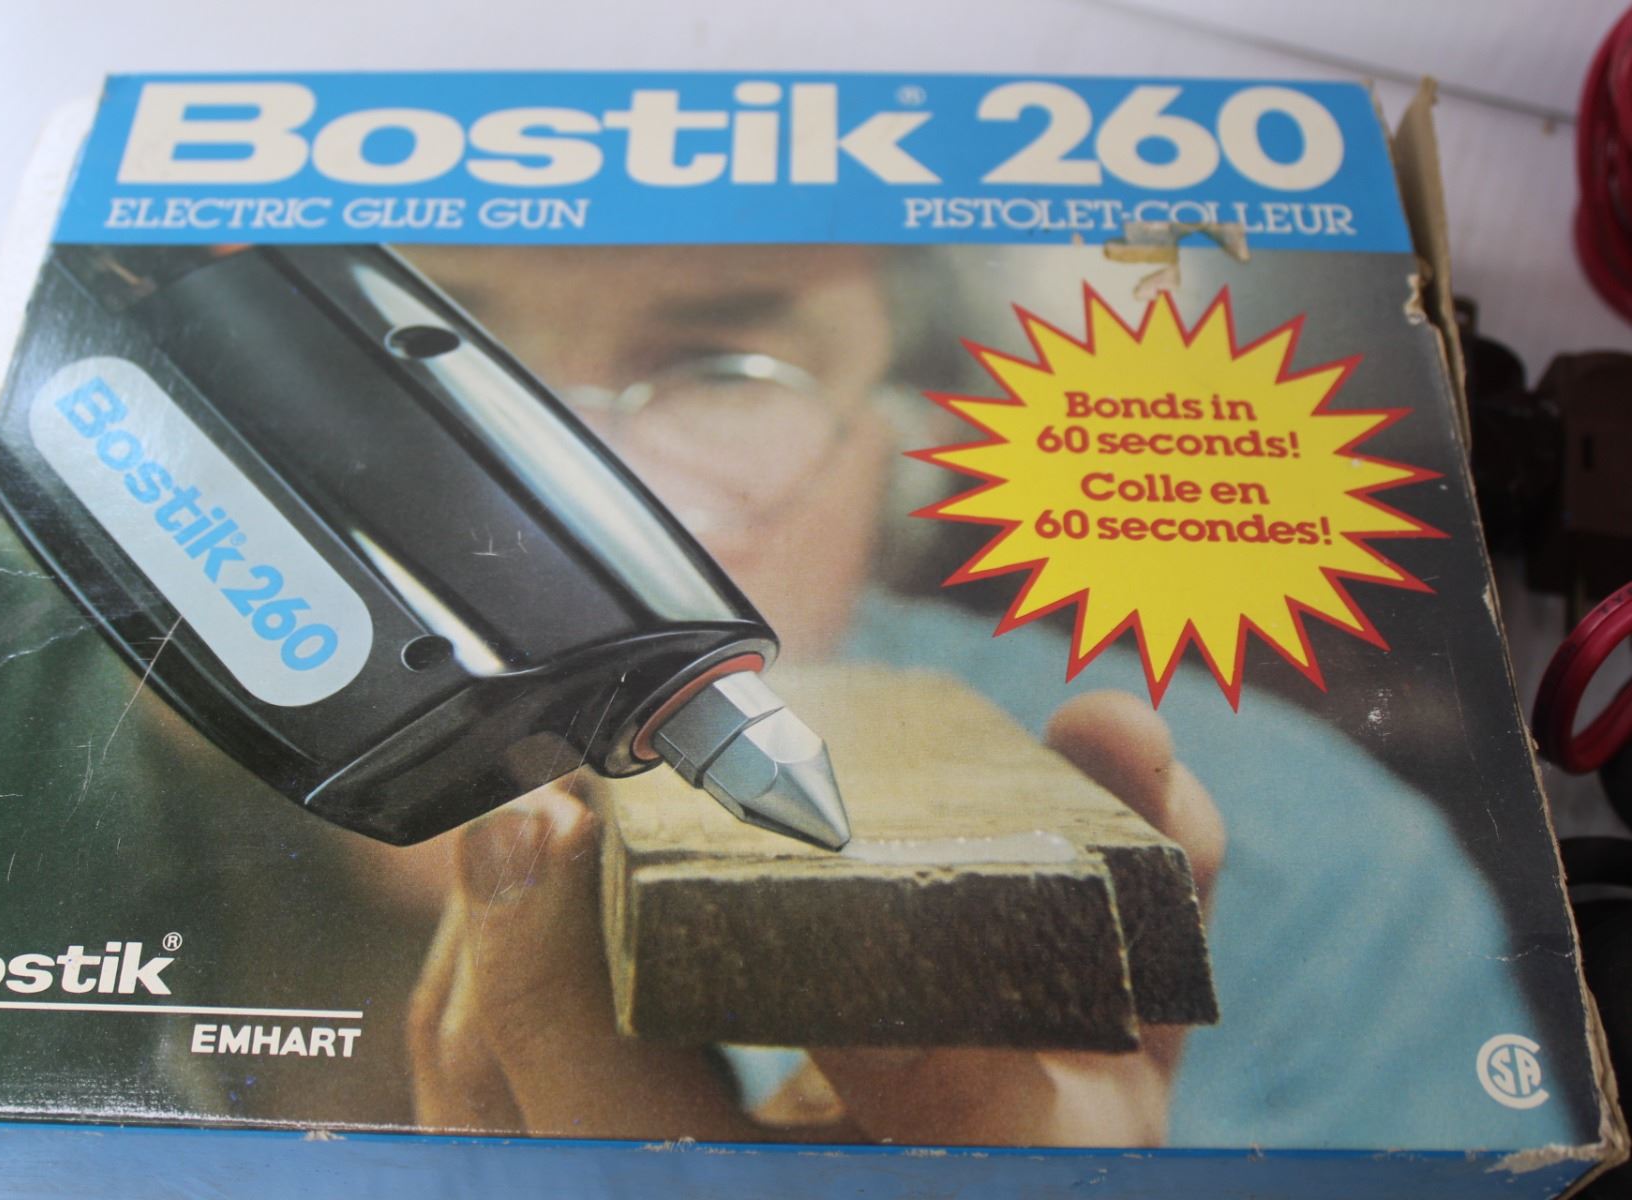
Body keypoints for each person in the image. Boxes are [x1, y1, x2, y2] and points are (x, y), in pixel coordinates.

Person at [378, 243, 1588, 1150]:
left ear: (890, 442)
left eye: (719, 371)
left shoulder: (1313, 855)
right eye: (418, 364)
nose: (554, 513)